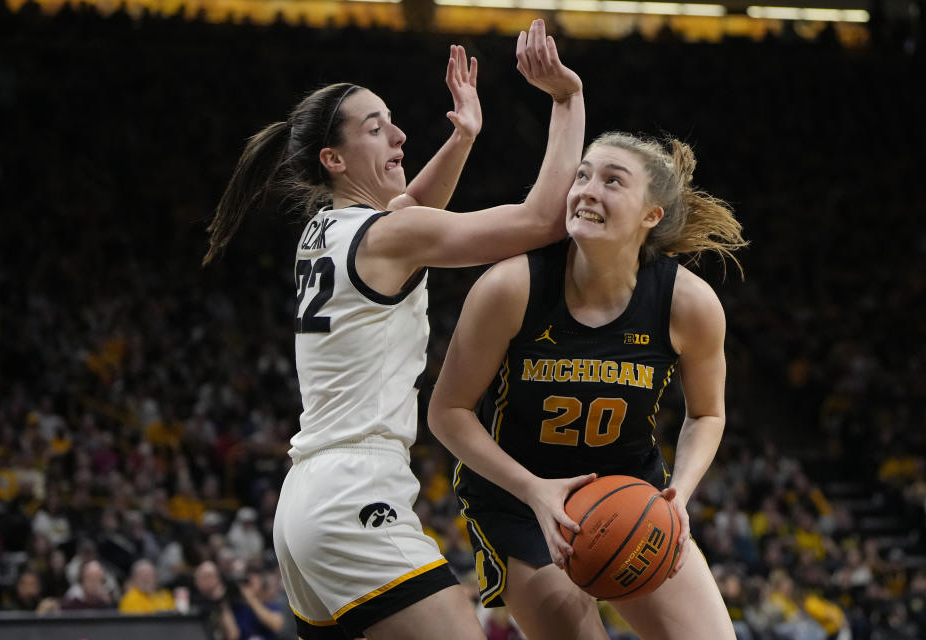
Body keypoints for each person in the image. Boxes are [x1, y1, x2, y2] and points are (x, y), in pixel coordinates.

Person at [203, 19, 585, 640]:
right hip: (355, 493)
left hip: (306, 505)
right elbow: (544, 218)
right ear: (334, 158)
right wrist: (567, 100)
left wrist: (461, 138)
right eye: (376, 128)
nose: (401, 134)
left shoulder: (323, 232)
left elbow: (407, 210)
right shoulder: (386, 236)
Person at [428, 131, 748, 639]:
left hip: (629, 494)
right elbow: (447, 412)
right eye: (582, 175)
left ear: (651, 216)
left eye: (612, 181)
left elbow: (707, 415)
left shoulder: (689, 303)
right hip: (519, 502)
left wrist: (678, 494)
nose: (587, 190)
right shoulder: (511, 287)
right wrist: (535, 491)